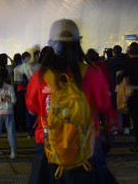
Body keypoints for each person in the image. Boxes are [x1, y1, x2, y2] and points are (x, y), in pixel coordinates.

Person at [26, 19, 119, 183]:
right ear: (78, 43)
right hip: (86, 148)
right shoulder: (93, 74)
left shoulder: (40, 76)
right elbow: (104, 105)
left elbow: (32, 108)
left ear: (52, 44)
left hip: (48, 149)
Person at [119, 42, 138, 151]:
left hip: (133, 94)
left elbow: (121, 76)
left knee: (136, 121)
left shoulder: (127, 63)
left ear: (129, 52)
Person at [0, 68, 17, 159]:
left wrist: (0, 99)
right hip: (9, 112)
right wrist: (8, 99)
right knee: (11, 131)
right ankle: (13, 152)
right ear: (6, 77)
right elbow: (14, 101)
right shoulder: (10, 87)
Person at [12, 51, 35, 133]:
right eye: (29, 58)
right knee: (25, 108)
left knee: (22, 109)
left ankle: (23, 125)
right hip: (23, 89)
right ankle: (25, 125)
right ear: (26, 58)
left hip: (22, 90)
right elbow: (16, 81)